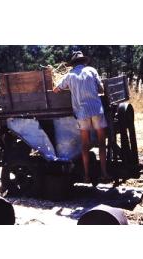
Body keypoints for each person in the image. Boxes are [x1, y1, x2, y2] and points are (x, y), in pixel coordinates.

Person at [53, 51, 110, 183]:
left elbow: (56, 90)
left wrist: (71, 88)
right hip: (96, 110)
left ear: (73, 64)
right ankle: (104, 173)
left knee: (85, 145)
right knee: (102, 142)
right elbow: (101, 89)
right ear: (84, 62)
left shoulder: (69, 75)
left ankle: (86, 176)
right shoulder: (91, 70)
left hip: (82, 113)